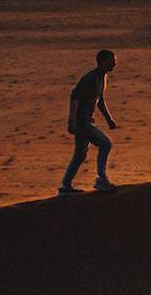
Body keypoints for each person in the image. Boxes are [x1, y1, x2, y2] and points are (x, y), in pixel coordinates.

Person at [60, 49, 120, 194]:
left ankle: (65, 186)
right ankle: (101, 180)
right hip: (82, 122)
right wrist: (72, 122)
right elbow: (74, 97)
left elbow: (99, 100)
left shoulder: (102, 78)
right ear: (102, 61)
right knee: (105, 143)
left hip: (86, 121)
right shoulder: (90, 78)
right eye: (112, 61)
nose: (115, 64)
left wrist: (109, 119)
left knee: (80, 154)